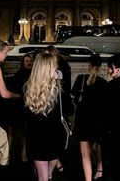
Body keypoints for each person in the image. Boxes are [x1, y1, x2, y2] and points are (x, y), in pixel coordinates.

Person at [24, 52, 69, 181]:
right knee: (48, 175)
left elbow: (26, 115)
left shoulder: (28, 89)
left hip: (36, 138)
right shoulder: (59, 92)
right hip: (55, 138)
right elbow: (69, 110)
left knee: (42, 176)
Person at [71, 54, 107, 181]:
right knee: (97, 147)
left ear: (89, 65)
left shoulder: (81, 79)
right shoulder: (104, 83)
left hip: (83, 120)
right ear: (101, 66)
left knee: (85, 154)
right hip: (97, 121)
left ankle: (88, 179)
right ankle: (100, 169)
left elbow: (74, 97)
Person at [45, 44, 74, 173]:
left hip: (58, 103)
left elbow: (64, 87)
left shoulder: (60, 69)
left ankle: (55, 162)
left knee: (55, 136)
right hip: (54, 103)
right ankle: (55, 163)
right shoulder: (60, 66)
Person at [7, 53, 33, 163]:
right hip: (17, 106)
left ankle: (24, 155)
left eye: (31, 61)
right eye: (26, 61)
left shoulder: (34, 75)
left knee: (25, 132)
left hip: (28, 107)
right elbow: (13, 90)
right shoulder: (18, 75)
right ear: (23, 62)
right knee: (12, 131)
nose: (29, 63)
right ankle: (6, 155)